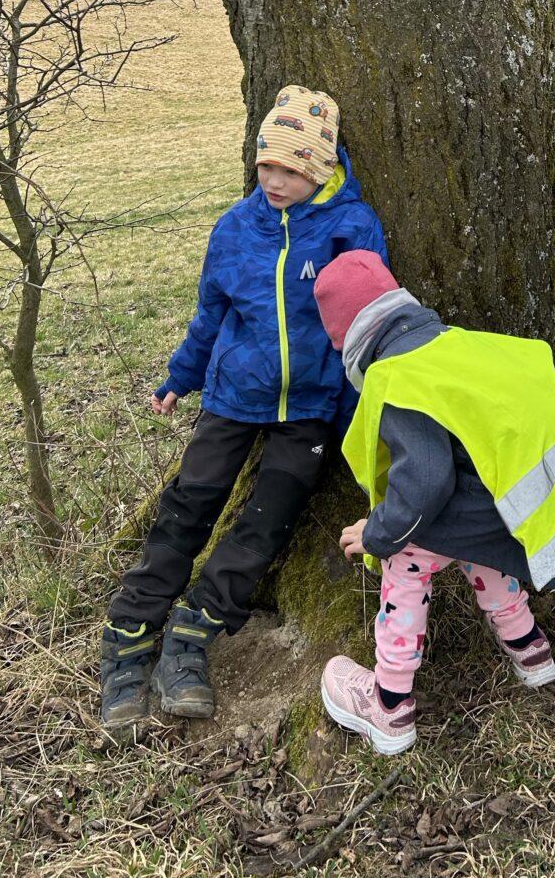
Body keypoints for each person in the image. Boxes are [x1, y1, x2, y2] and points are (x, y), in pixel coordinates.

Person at [99, 87, 388, 731]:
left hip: (311, 403)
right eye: (267, 167)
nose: (276, 181)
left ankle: (193, 632)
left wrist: (354, 416)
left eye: (292, 169)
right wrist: (183, 375)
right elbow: (211, 313)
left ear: (320, 168)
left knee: (268, 519)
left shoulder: (352, 226)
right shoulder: (235, 228)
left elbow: (367, 320)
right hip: (234, 396)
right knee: (190, 502)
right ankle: (129, 635)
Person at [314, 250, 555, 756]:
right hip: (509, 512)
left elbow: (426, 484)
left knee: (407, 565)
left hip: (461, 509)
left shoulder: (398, 376)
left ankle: (388, 706)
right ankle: (529, 648)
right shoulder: (457, 347)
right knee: (479, 549)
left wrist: (378, 533)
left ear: (344, 341)